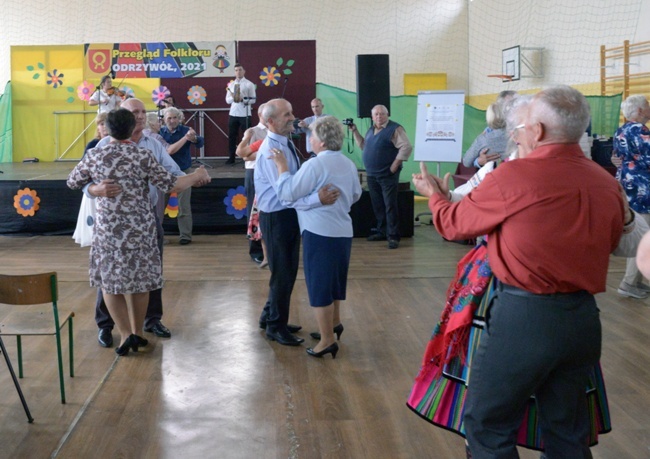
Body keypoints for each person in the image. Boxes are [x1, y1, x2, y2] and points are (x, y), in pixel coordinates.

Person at [412, 85, 624, 458]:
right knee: (567, 430)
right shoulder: (607, 184)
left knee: (487, 425)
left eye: (520, 127)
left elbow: (453, 226)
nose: (516, 134)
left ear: (538, 131)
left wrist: (434, 195)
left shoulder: (513, 178)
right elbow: (611, 242)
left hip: (525, 319)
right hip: (583, 321)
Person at [67, 109, 210, 356]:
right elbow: (170, 184)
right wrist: (196, 175)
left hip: (109, 228)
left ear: (107, 129)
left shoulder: (94, 155)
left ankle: (124, 335)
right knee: (140, 281)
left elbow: (72, 182)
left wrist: (94, 188)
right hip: (139, 227)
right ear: (133, 127)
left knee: (111, 284)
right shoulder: (141, 155)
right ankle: (138, 332)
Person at [270, 116, 361, 358]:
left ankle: (327, 340)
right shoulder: (348, 163)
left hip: (319, 232)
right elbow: (355, 195)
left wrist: (282, 168)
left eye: (312, 135)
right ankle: (334, 324)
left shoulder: (314, 165)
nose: (310, 139)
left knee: (320, 286)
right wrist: (323, 201)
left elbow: (287, 194)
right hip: (343, 231)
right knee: (335, 283)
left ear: (321, 142)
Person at [254, 98, 340, 346]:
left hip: (286, 216)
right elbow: (285, 194)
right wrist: (317, 199)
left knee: (285, 270)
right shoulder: (272, 151)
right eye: (286, 115)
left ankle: (270, 316)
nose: (293, 117)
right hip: (278, 217)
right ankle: (275, 326)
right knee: (283, 272)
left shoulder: (283, 143)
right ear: (270, 122)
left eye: (291, 112)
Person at [350, 105, 412, 249]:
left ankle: (393, 236)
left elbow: (406, 147)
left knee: (390, 205)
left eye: (382, 114)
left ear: (387, 115)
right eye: (376, 114)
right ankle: (382, 231)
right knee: (378, 205)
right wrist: (355, 131)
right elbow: (364, 146)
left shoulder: (395, 129)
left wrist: (394, 166)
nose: (379, 116)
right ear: (372, 117)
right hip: (372, 175)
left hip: (387, 175)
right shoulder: (371, 129)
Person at [613, 94, 650, 299]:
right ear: (639, 111)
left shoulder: (622, 130)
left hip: (628, 187)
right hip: (643, 190)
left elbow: (617, 157)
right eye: (647, 106)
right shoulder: (641, 132)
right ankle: (628, 282)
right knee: (644, 237)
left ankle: (634, 281)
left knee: (640, 233)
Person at [159, 106, 205, 245]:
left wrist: (194, 138)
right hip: (164, 174)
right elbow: (168, 151)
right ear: (164, 120)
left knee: (184, 207)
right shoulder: (160, 133)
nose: (172, 120)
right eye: (169, 118)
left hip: (184, 172)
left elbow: (200, 142)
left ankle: (185, 236)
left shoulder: (186, 131)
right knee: (159, 207)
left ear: (179, 119)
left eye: (174, 118)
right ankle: (157, 235)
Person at [236, 103, 267, 264]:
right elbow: (246, 156)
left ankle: (268, 250)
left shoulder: (277, 131)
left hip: (270, 173)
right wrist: (268, 154)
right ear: (262, 114)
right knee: (253, 212)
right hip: (254, 172)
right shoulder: (253, 131)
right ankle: (255, 250)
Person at [461, 102, 510, 168]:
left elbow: (466, 162)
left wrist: (478, 161)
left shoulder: (482, 140)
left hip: (491, 176)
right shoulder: (517, 136)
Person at [226, 63, 256, 165]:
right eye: (236, 70)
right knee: (232, 136)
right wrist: (234, 99)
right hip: (233, 113)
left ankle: (247, 156)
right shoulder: (231, 85)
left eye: (240, 70)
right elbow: (227, 100)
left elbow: (253, 100)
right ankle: (231, 157)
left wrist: (243, 99)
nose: (238, 72)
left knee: (247, 136)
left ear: (244, 71)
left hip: (245, 114)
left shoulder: (249, 84)